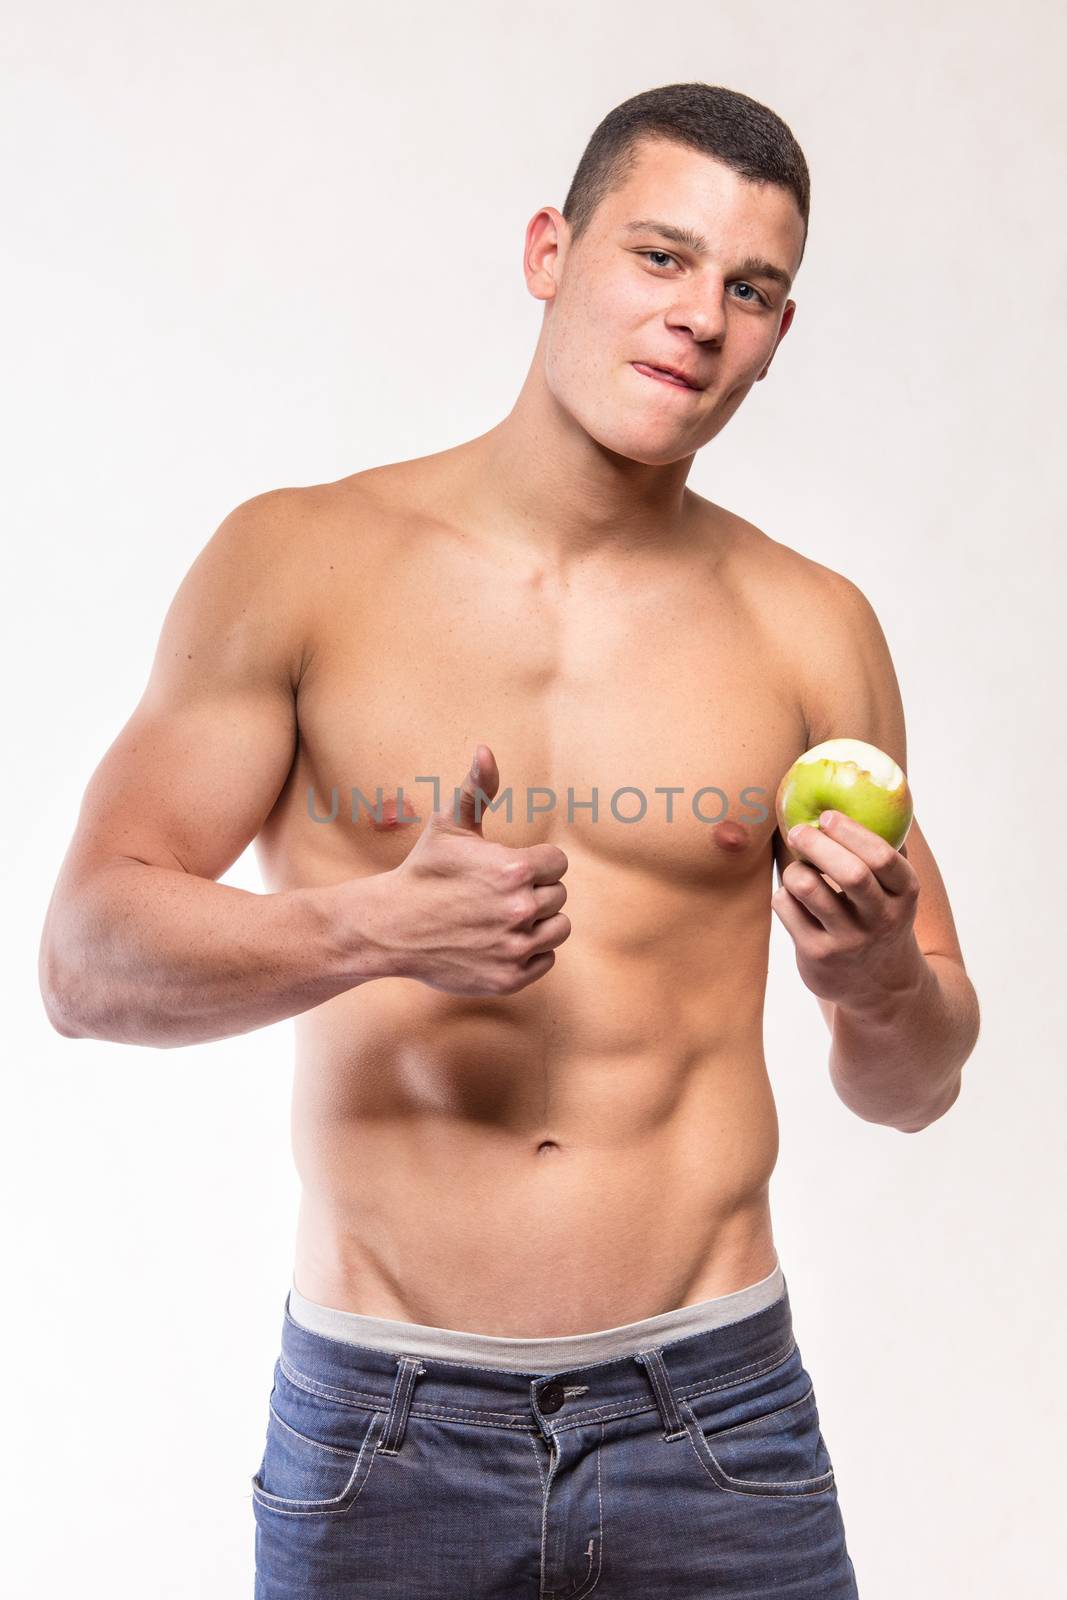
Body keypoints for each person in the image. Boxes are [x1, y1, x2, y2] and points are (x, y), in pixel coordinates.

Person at [39, 81, 980, 1598]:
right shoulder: (300, 564)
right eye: (659, 258)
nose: (698, 318)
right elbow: (84, 964)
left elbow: (920, 1085)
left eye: (748, 288)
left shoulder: (812, 629)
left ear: (779, 333)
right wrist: (372, 929)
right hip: (379, 1423)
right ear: (551, 249)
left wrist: (874, 981)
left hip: (718, 1415)